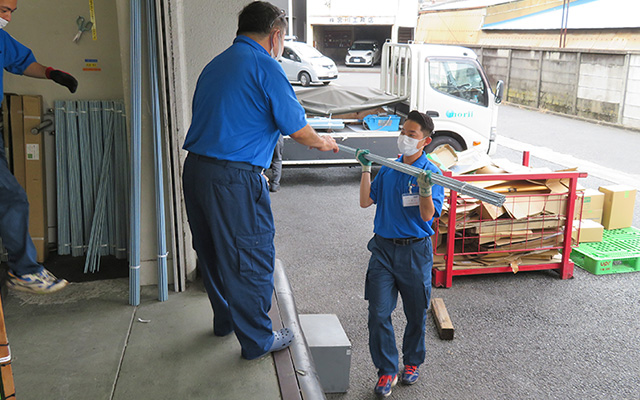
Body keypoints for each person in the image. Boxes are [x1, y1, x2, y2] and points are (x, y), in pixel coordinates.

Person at [182, 1, 338, 360]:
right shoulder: (265, 65)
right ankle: (257, 340)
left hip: (196, 172)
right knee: (249, 255)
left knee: (212, 252)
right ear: (276, 35)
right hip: (234, 179)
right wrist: (323, 142)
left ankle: (225, 320)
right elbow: (297, 129)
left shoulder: (216, 64)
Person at [356, 110, 444, 397]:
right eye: (403, 131)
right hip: (382, 251)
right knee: (378, 313)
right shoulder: (390, 167)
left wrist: (425, 190)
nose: (404, 137)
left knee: (416, 314)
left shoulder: (431, 173)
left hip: (415, 253)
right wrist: (367, 169)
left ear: (425, 141)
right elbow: (366, 201)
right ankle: (387, 370)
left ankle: (413, 362)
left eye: (412, 134)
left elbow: (427, 216)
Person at [0, 0, 78, 294]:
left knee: (9, 198)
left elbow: (20, 61)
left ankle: (25, 270)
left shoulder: (1, 38)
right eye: (3, 8)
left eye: (10, 12)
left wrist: (50, 73)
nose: (6, 17)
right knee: (11, 198)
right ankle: (25, 271)